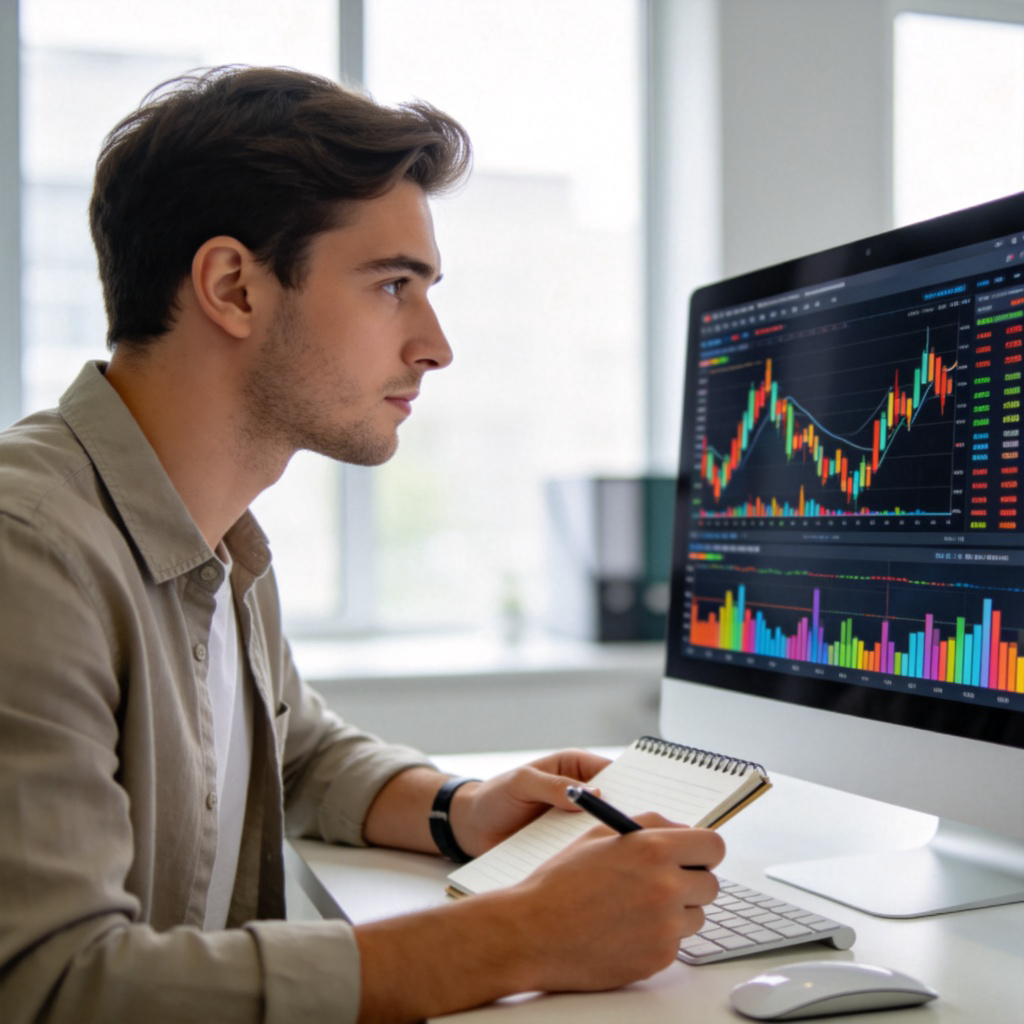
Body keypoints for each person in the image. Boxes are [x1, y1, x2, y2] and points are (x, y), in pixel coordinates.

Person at [0, 66, 725, 1023]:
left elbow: (296, 751)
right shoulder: (31, 553)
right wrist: (518, 937)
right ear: (233, 287)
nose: (435, 346)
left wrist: (462, 808)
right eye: (393, 285)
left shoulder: (216, 538)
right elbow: (52, 986)